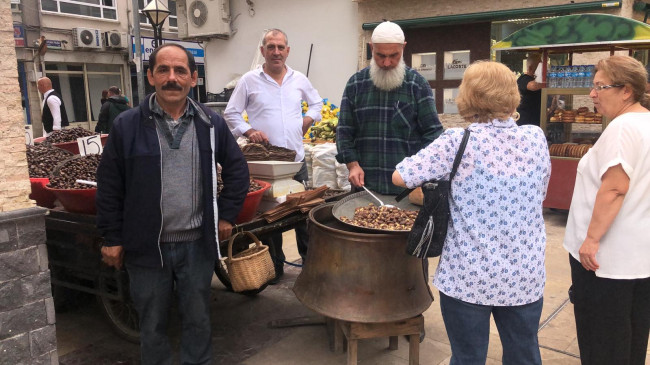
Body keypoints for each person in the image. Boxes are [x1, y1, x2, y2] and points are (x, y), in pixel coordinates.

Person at [96, 43, 250, 365]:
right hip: (146, 247)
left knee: (198, 320)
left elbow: (237, 170)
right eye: (163, 70)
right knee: (151, 325)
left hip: (196, 245)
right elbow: (109, 185)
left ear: (193, 78)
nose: (172, 78)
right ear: (150, 76)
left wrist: (226, 215)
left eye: (180, 70)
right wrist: (112, 237)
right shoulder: (127, 125)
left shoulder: (210, 123)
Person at [393, 61, 551, 364]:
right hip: (523, 274)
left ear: (468, 96)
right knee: (524, 355)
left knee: (467, 358)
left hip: (468, 275)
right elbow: (539, 193)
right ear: (511, 94)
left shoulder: (457, 141)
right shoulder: (535, 138)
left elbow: (401, 177)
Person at [563, 55, 650, 365]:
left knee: (602, 339)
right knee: (631, 337)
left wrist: (591, 238)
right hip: (637, 257)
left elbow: (614, 188)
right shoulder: (646, 122)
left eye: (600, 86)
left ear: (626, 90)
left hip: (606, 260)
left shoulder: (623, 128)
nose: (593, 94)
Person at [224, 28, 323, 283]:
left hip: (295, 160)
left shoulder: (299, 79)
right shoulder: (249, 80)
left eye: (281, 47)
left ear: (287, 51)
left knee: (302, 214)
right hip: (265, 164)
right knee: (270, 218)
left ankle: (309, 265)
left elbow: (317, 103)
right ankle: (276, 268)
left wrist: (309, 118)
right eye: (271, 47)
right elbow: (231, 113)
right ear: (263, 51)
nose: (276, 52)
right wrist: (249, 130)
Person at [336, 21, 443, 195]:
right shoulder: (355, 84)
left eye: (394, 55)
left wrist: (421, 170)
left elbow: (433, 134)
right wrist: (352, 165)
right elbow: (344, 131)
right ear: (371, 48)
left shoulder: (417, 84)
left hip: (407, 190)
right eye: (380, 56)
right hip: (365, 188)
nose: (387, 63)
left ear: (404, 48)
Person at [516, 53, 543, 126]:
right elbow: (533, 86)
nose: (541, 70)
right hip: (525, 122)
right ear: (530, 68)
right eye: (539, 67)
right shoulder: (523, 79)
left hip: (537, 122)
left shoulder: (536, 80)